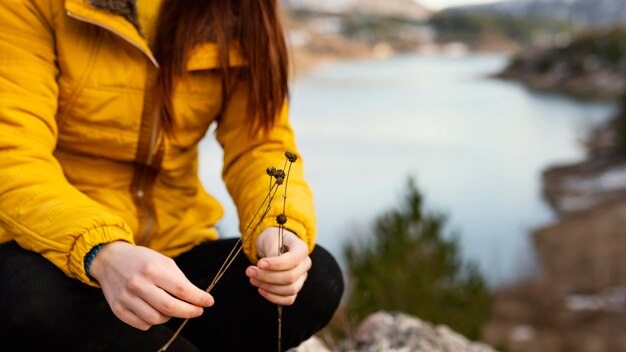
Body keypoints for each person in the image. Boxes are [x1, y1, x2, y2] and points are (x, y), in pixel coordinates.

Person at [0, 0, 344, 351]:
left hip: (172, 251)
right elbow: (12, 154)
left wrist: (277, 230)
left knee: (315, 281)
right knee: (29, 298)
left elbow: (260, 143)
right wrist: (101, 251)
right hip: (52, 251)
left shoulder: (239, 9)